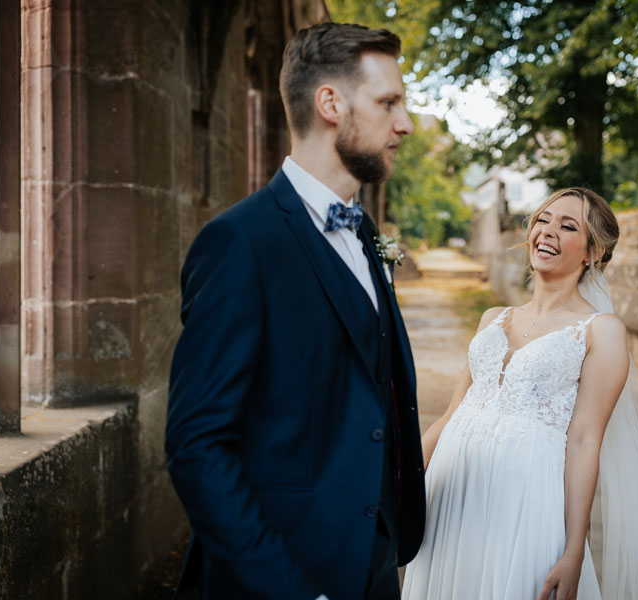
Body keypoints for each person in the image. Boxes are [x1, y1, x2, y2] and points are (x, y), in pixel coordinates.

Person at [165, 22, 426, 600]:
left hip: (374, 565)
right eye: (388, 102)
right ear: (330, 103)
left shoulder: (363, 233)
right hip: (283, 574)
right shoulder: (239, 244)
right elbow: (197, 447)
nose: (404, 123)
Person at [402, 188, 638, 600]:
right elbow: (451, 416)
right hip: (451, 495)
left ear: (593, 252)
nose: (547, 232)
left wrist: (574, 550)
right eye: (543, 220)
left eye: (568, 226)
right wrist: (398, 484)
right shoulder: (491, 318)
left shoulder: (600, 331)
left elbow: (585, 440)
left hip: (524, 505)